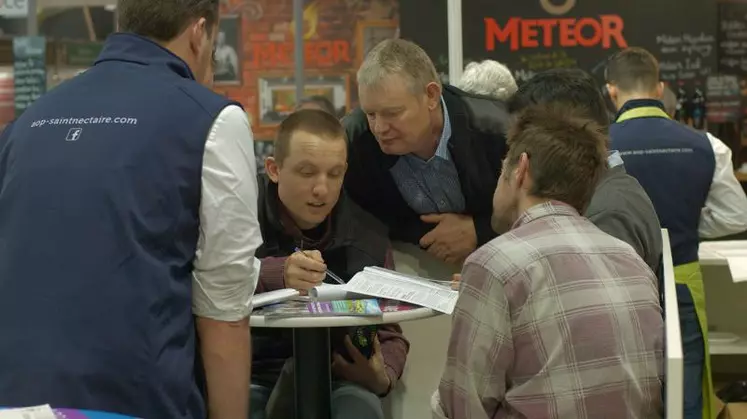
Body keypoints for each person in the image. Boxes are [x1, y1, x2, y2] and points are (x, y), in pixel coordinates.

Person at [0, 1, 262, 418]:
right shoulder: (213, 120)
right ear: (200, 33)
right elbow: (224, 313)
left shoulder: (26, 123)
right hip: (136, 399)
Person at [433, 104, 664, 419]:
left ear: (521, 169)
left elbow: (461, 407)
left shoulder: (494, 264)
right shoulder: (631, 261)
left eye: (503, 169)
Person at [606, 47, 747, 419]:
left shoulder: (594, 146)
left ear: (611, 91)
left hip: (612, 285)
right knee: (684, 382)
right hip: (682, 281)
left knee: (620, 383)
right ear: (660, 88)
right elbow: (736, 215)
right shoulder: (707, 146)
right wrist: (685, 226)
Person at [251, 109, 409, 419]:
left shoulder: (367, 234)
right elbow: (206, 284)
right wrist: (275, 273)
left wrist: (381, 374)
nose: (322, 190)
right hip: (251, 373)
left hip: (342, 376)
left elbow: (389, 328)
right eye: (307, 172)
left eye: (334, 174)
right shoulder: (240, 213)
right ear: (274, 169)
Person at [343, 39, 510, 265]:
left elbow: (546, 210)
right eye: (371, 114)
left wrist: (480, 231)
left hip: (501, 252)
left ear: (431, 96)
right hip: (409, 261)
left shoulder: (500, 130)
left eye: (393, 113)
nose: (380, 128)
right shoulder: (353, 140)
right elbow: (353, 218)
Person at [505, 68, 662, 273]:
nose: (516, 152)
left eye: (526, 138)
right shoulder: (607, 194)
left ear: (566, 135)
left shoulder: (604, 215)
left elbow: (593, 303)